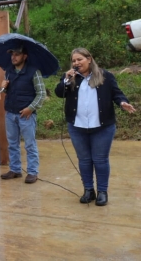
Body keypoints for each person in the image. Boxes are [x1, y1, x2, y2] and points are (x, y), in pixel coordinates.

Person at [55, 48, 136, 206]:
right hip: (77, 126)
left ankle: (102, 192)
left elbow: (116, 93)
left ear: (89, 59)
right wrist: (66, 80)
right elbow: (59, 93)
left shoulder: (105, 75)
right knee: (84, 160)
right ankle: (88, 190)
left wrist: (122, 102)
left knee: (100, 160)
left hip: (102, 127)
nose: (76, 63)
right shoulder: (70, 78)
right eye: (74, 61)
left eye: (80, 59)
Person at [0, 46, 46, 184]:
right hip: (10, 113)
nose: (14, 57)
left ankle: (32, 172)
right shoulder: (9, 72)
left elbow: (41, 94)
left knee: (30, 144)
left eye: (17, 54)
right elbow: (7, 92)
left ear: (25, 56)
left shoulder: (33, 72)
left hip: (26, 115)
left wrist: (30, 108)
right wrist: (3, 87)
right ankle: (15, 170)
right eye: (12, 54)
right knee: (12, 144)